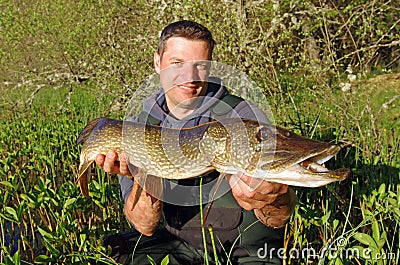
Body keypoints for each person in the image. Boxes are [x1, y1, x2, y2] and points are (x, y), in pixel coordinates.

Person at [95, 20, 297, 265]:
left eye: (200, 66)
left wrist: (276, 199)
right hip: (179, 245)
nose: (189, 77)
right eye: (177, 63)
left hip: (245, 250)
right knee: (115, 252)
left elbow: (278, 219)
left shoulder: (244, 117)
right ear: (158, 62)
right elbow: (145, 225)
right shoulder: (137, 128)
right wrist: (143, 177)